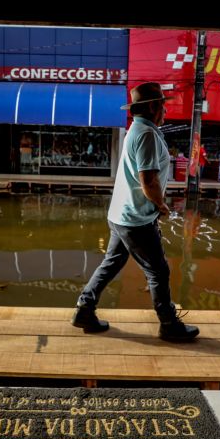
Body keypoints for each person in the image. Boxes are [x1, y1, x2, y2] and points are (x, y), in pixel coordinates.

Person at [71, 82, 199, 341]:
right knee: (158, 271)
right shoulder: (147, 134)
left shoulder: (137, 130)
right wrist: (161, 204)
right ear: (152, 107)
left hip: (120, 214)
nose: (165, 111)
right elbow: (148, 180)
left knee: (111, 263)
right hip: (136, 219)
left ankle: (85, 310)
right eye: (162, 105)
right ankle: (169, 325)